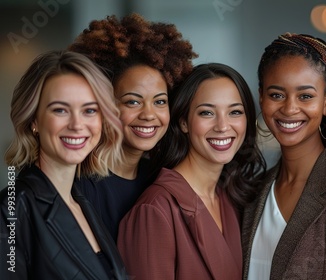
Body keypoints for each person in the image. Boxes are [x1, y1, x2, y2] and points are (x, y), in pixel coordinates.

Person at [241, 33, 326, 279]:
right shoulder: (253, 190)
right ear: (261, 97)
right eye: (276, 95)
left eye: (305, 96)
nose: (290, 108)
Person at [117, 63, 266, 280]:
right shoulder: (155, 210)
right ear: (184, 122)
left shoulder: (227, 197)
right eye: (207, 113)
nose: (223, 126)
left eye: (235, 112)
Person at [68, 13, 197, 241]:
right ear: (105, 104)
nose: (149, 115)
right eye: (133, 101)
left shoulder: (159, 178)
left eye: (159, 102)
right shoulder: (79, 186)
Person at [0, 50, 127, 279]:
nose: (77, 124)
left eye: (89, 110)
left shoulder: (82, 200)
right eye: (60, 110)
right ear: (34, 121)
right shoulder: (11, 208)